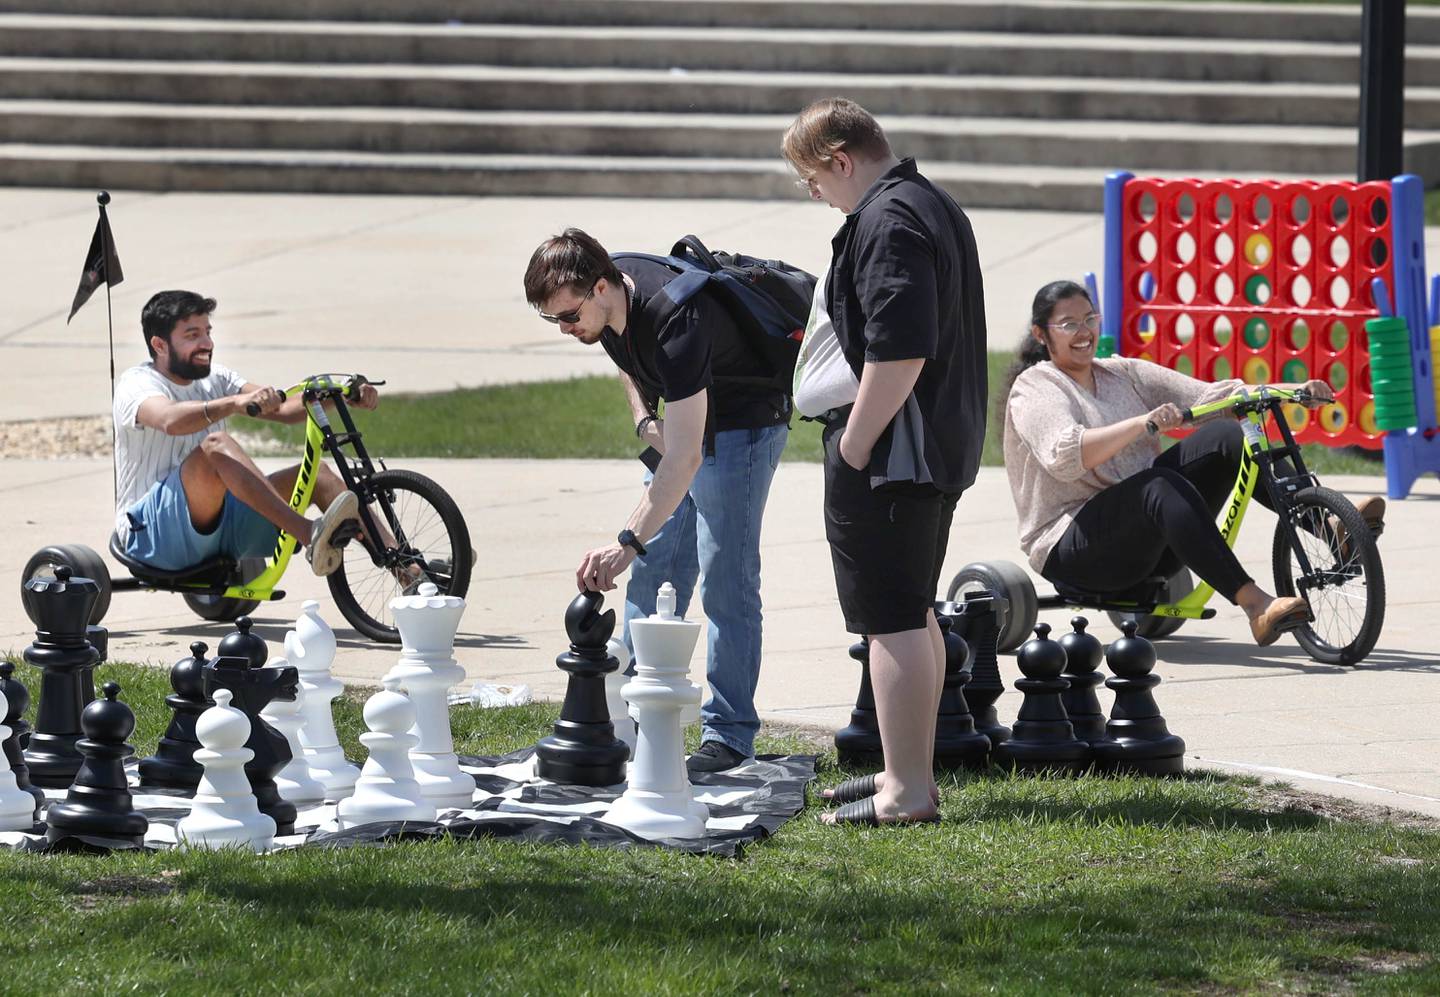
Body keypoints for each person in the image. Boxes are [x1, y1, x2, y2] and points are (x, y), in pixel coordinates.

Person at [783, 98, 988, 827]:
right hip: (935, 447)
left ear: (840, 160)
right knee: (913, 613)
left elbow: (899, 349)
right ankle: (912, 775)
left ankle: (905, 790)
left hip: (894, 454)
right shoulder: (931, 203)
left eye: (812, 178)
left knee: (891, 622)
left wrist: (855, 441)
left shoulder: (887, 220)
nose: (814, 192)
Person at [522, 229, 789, 774]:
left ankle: (730, 736)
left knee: (727, 581)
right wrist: (644, 419)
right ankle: (625, 713)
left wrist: (625, 541)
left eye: (568, 317)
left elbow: (687, 456)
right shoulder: (609, 293)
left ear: (601, 288)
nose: (567, 330)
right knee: (655, 570)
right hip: (686, 431)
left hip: (742, 426)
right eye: (553, 321)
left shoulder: (675, 319)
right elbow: (624, 352)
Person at [1001, 279, 1386, 646]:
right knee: (1157, 486)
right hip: (1074, 551)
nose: (1083, 331)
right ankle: (1256, 605)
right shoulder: (1036, 387)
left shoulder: (1122, 373)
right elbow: (1067, 457)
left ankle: (1331, 526)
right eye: (1069, 324)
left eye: (1089, 319)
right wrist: (1141, 423)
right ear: (1041, 334)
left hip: (1147, 542)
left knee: (1228, 435)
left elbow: (1214, 398)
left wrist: (1292, 392)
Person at [114, 290, 372, 577]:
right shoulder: (136, 383)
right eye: (192, 335)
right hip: (152, 536)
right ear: (160, 345)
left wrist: (340, 396)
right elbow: (169, 419)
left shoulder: (218, 377)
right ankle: (307, 532)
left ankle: (406, 567)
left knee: (319, 475)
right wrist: (233, 403)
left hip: (220, 526)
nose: (206, 343)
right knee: (216, 446)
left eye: (207, 332)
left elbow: (283, 410)